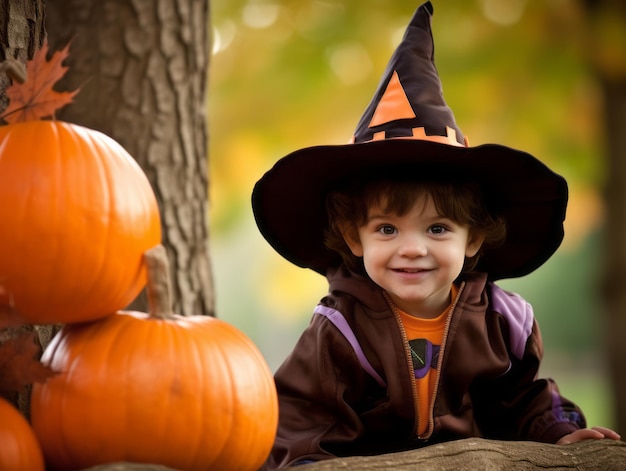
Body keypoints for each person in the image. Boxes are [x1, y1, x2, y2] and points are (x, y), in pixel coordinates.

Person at [251, 2, 621, 469]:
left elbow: (522, 399)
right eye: (387, 228)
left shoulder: (504, 322)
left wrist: (559, 432)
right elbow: (302, 417)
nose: (412, 247)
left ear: (472, 240)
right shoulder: (339, 330)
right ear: (353, 238)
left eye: (438, 229)